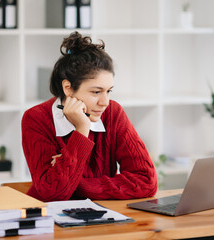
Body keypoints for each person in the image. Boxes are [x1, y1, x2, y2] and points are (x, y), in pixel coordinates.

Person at [21, 31, 157, 202]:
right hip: (49, 220)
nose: (105, 102)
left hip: (101, 217)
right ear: (68, 88)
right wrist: (82, 129)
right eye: (96, 92)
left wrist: (76, 182)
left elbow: (146, 181)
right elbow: (53, 193)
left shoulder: (113, 113)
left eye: (109, 91)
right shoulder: (36, 119)